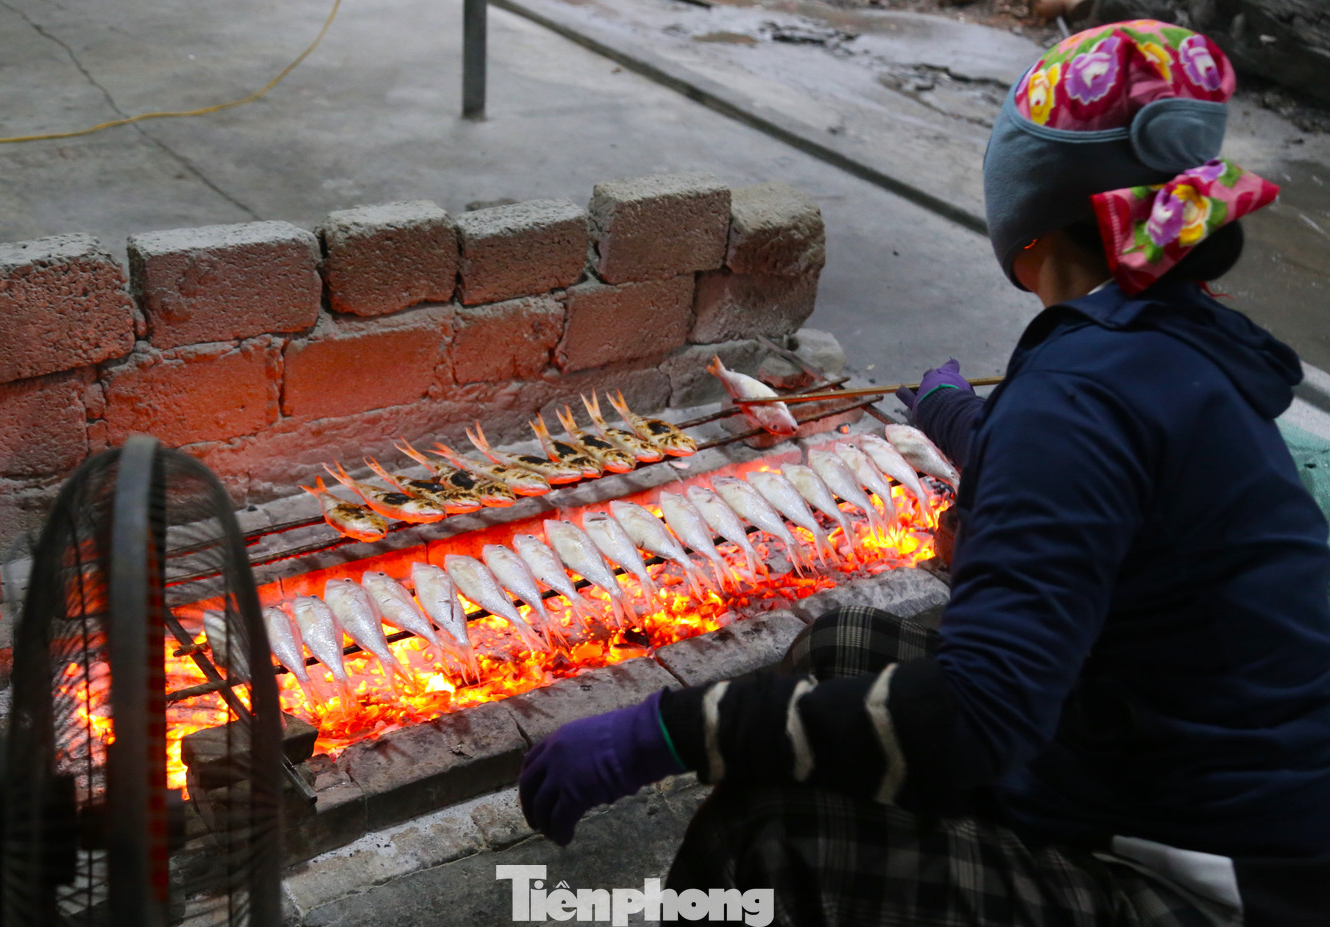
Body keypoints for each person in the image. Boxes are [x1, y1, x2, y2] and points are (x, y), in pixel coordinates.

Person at [518, 20, 1330, 925]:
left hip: (1225, 874)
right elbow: (1103, 484)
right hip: (1157, 757)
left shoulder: (1076, 393)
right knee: (842, 647)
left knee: (782, 829)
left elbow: (978, 718)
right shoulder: (1168, 329)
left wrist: (667, 730)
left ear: (1027, 211)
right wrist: (965, 424)